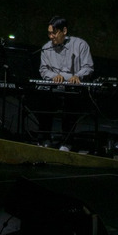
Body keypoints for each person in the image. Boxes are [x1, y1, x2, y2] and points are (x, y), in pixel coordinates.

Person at [34, 16, 94, 149]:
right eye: (49, 33)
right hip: (54, 87)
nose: (51, 36)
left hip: (73, 88)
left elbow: (88, 67)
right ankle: (44, 139)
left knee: (70, 104)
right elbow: (43, 70)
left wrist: (77, 76)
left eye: (54, 33)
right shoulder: (46, 48)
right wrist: (54, 76)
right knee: (43, 100)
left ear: (64, 31)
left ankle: (67, 141)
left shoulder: (80, 45)